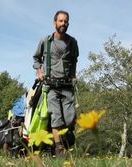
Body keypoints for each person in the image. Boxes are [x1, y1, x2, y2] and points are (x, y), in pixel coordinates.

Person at [33, 10, 79, 155]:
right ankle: (59, 148)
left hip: (67, 87)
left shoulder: (72, 43)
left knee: (70, 118)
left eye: (65, 21)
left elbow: (74, 61)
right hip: (51, 86)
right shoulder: (46, 41)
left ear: (68, 23)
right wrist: (39, 71)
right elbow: (36, 59)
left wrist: (73, 75)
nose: (63, 24)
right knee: (56, 116)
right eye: (60, 21)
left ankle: (64, 140)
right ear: (55, 23)